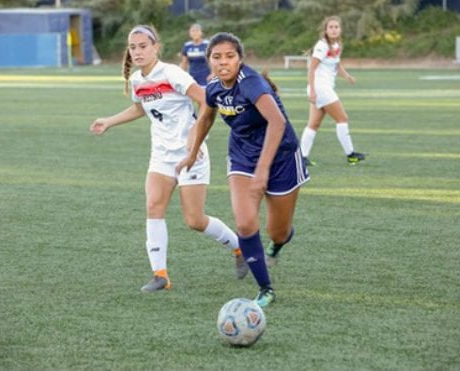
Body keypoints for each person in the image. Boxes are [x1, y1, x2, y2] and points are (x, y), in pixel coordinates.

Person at [90, 25, 248, 293]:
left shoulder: (172, 73)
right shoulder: (139, 80)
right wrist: (109, 121)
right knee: (153, 207)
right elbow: (140, 107)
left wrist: (193, 139)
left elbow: (206, 100)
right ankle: (160, 275)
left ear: (155, 47)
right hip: (161, 156)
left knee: (195, 221)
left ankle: (239, 247)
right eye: (133, 47)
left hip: (190, 154)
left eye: (143, 46)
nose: (137, 51)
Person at [177, 32, 309, 308]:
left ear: (240, 59)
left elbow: (277, 122)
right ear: (209, 60)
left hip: (282, 157)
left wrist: (263, 170)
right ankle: (265, 289)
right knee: (246, 223)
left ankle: (279, 243)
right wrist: (191, 153)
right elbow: (205, 118)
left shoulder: (252, 83)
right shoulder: (213, 86)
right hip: (242, 158)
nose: (223, 62)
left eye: (229, 56)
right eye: (217, 57)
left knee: (278, 232)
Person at [300, 16, 366, 165]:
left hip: (323, 88)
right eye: (331, 27)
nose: (334, 29)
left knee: (313, 124)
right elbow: (311, 69)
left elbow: (337, 65)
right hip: (320, 88)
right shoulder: (322, 45)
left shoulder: (336, 45)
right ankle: (351, 155)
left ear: (340, 29)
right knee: (342, 118)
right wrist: (312, 91)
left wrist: (347, 76)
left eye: (336, 27)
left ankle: (302, 158)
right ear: (325, 30)